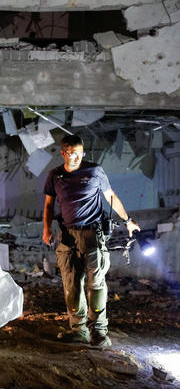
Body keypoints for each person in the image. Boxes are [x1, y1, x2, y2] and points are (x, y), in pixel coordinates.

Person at [42, 134, 140, 347]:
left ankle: (99, 332)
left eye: (80, 154)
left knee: (96, 283)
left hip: (92, 235)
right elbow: (49, 205)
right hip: (67, 235)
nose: (76, 158)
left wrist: (128, 220)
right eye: (72, 154)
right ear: (63, 153)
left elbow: (110, 197)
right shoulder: (55, 175)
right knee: (72, 284)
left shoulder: (94, 171)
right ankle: (79, 331)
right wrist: (47, 228)